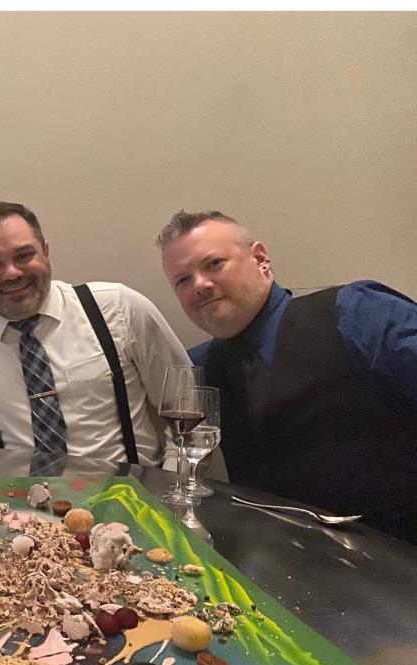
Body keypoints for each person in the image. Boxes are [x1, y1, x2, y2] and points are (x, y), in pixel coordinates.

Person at [158, 210, 417, 543]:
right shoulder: (197, 369)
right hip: (274, 571)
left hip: (400, 561)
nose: (200, 286)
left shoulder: (357, 312)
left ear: (261, 259)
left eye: (213, 264)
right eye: (183, 280)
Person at [0, 202, 191, 469]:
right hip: (18, 506)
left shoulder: (118, 308)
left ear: (46, 252)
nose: (11, 273)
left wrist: (166, 491)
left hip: (127, 499)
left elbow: (189, 407)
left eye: (24, 256)